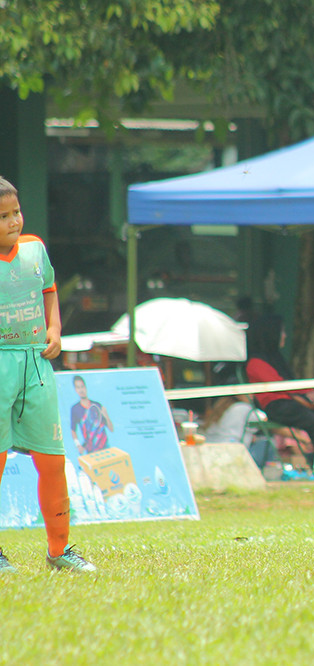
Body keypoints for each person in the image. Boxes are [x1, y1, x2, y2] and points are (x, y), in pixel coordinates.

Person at [0, 176, 96, 573]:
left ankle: (59, 550)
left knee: (53, 460)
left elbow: (49, 289)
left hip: (36, 365)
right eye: (3, 216)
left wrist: (54, 329)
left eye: (16, 212)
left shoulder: (35, 249)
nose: (13, 221)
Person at [245, 314, 314, 479]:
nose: (284, 336)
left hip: (294, 401)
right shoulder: (255, 363)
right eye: (281, 332)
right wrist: (306, 399)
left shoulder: (275, 358)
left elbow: (291, 385)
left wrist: (309, 394)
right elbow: (280, 386)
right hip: (277, 405)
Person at [68, 375, 115, 455]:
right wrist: (78, 445)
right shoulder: (75, 409)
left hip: (106, 449)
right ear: (75, 390)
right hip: (91, 452)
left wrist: (106, 416)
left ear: (85, 387)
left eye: (82, 386)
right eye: (78, 387)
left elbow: (111, 429)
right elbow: (73, 430)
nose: (81, 390)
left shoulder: (97, 405)